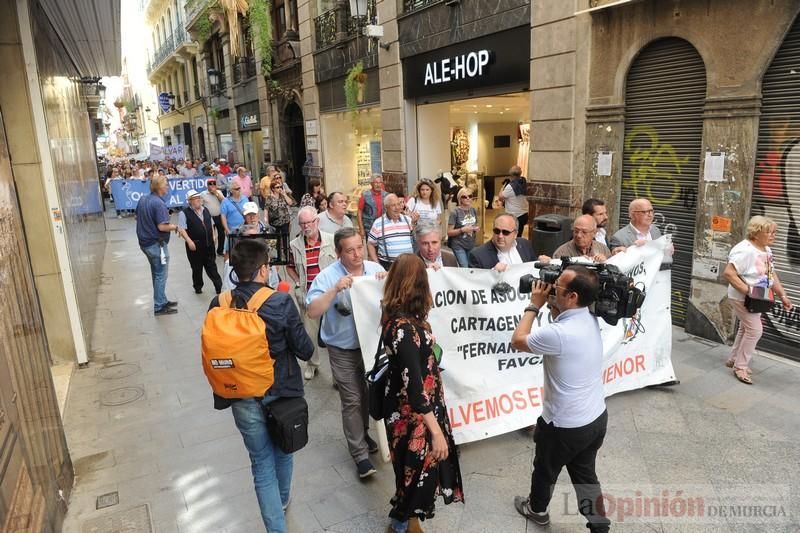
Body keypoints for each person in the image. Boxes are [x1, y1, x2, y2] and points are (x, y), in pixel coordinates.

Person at [208, 238, 314, 532]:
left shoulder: (219, 302)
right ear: (264, 270)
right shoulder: (279, 301)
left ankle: (275, 527)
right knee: (283, 449)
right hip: (281, 393)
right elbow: (305, 349)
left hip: (240, 395)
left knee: (261, 463)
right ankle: (281, 501)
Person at [511, 266, 610, 533]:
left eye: (558, 288)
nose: (552, 288)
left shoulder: (558, 334)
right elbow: (561, 316)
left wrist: (534, 305)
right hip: (595, 418)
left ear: (573, 296)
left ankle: (537, 511)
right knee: (585, 475)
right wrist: (554, 303)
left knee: (544, 469)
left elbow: (518, 340)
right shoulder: (590, 317)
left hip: (562, 425)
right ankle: (600, 525)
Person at [381, 254, 464, 533]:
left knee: (411, 473)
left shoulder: (398, 319)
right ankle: (401, 524)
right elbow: (415, 390)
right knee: (417, 474)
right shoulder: (404, 329)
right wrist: (437, 432)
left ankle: (405, 520)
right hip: (414, 417)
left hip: (413, 411)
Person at [306, 227, 387, 479]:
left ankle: (363, 433)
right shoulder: (327, 276)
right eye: (350, 250)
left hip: (372, 346)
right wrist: (334, 290)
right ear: (339, 253)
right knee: (351, 399)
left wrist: (387, 281)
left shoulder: (374, 270)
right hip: (343, 348)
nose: (356, 254)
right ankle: (360, 455)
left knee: (367, 394)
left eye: (359, 248)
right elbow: (312, 311)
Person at [722, 215, 793, 385]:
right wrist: (749, 291)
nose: (773, 235)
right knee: (755, 330)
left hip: (758, 298)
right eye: (769, 232)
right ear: (756, 233)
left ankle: (733, 359)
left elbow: (771, 274)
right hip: (742, 298)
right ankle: (740, 367)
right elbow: (729, 273)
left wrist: (782, 295)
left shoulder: (766, 249)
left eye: (774, 232)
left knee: (746, 329)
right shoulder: (746, 250)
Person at [287, 207, 337, 380]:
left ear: (317, 221)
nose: (306, 226)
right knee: (310, 333)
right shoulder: (294, 245)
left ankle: (337, 372)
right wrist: (298, 286)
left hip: (331, 295)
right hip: (308, 295)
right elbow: (290, 267)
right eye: (303, 223)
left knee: (335, 334)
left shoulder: (331, 240)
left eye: (309, 222)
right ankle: (312, 364)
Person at [135, 174, 178, 316]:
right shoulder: (159, 203)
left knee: (156, 273)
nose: (167, 187)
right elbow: (162, 227)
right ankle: (159, 306)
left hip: (145, 243)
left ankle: (162, 300)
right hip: (155, 244)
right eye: (166, 184)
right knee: (161, 274)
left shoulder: (143, 199)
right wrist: (175, 227)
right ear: (159, 187)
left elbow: (138, 217)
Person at [177, 190, 223, 294]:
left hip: (208, 244)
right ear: (189, 201)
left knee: (212, 266)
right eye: (195, 199)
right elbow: (182, 229)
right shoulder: (184, 213)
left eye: (199, 198)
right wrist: (189, 241)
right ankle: (198, 287)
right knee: (196, 268)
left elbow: (211, 224)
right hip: (195, 245)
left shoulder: (205, 210)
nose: (198, 200)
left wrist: (214, 236)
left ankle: (219, 287)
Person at [609, 198, 673, 268]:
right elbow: (618, 268)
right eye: (645, 212)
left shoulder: (655, 230)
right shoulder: (619, 238)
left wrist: (666, 251)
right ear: (632, 214)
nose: (650, 215)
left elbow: (662, 256)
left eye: (651, 211)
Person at [468, 213, 535, 271]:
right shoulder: (478, 255)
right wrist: (492, 274)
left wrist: (542, 263)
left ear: (515, 234)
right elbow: (474, 283)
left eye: (505, 232)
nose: (500, 236)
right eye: (497, 231)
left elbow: (533, 267)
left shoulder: (525, 244)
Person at [367, 194, 415, 270]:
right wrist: (377, 264)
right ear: (386, 207)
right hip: (388, 266)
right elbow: (370, 244)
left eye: (398, 204)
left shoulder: (408, 220)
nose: (397, 208)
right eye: (393, 205)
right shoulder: (378, 223)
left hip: (409, 264)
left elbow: (415, 240)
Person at [538, 215, 611, 264]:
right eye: (576, 231)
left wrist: (605, 263)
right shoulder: (562, 253)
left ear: (594, 233)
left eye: (584, 232)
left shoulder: (603, 249)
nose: (579, 235)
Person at [446, 187, 479, 268]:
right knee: (464, 266)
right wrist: (462, 230)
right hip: (458, 245)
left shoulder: (473, 210)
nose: (468, 198)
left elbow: (475, 224)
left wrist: (475, 228)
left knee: (471, 266)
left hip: (471, 244)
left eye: (470, 196)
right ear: (459, 199)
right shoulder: (455, 212)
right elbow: (449, 232)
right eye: (464, 197)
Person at [499, 165, 528, 235]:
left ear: (511, 175)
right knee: (518, 235)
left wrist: (503, 186)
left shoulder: (510, 186)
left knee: (512, 236)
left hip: (515, 215)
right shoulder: (524, 182)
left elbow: (500, 197)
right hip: (524, 214)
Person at [201, 178, 226, 256]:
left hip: (218, 216)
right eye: (210, 184)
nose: (212, 185)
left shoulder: (218, 192)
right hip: (209, 217)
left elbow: (224, 201)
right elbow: (201, 205)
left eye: (213, 184)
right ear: (207, 185)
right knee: (210, 235)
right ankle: (211, 251)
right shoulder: (203, 194)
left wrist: (216, 193)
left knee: (221, 234)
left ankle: (220, 250)